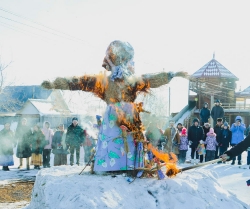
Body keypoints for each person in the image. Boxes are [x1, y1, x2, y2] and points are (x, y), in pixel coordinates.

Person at [41, 40, 187, 172]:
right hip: (112, 119)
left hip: (130, 119)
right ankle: (110, 166)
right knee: (113, 141)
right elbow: (80, 82)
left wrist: (171, 75)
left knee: (130, 140)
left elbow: (152, 79)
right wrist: (56, 83)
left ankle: (131, 164)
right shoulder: (103, 81)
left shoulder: (133, 80)